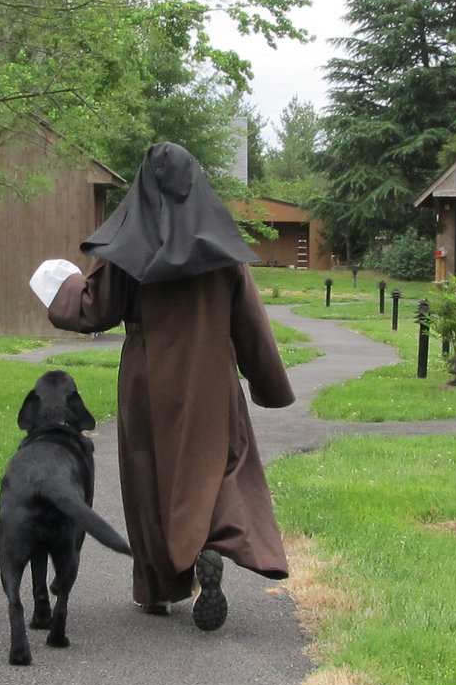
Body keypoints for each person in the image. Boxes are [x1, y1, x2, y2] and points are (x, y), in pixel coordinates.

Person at [45, 143, 294, 630]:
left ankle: (158, 589)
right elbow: (249, 322)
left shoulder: (128, 243)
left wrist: (61, 283)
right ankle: (208, 544)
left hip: (147, 378)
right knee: (218, 467)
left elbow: (95, 309)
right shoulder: (222, 245)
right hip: (212, 376)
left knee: (149, 477)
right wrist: (267, 383)